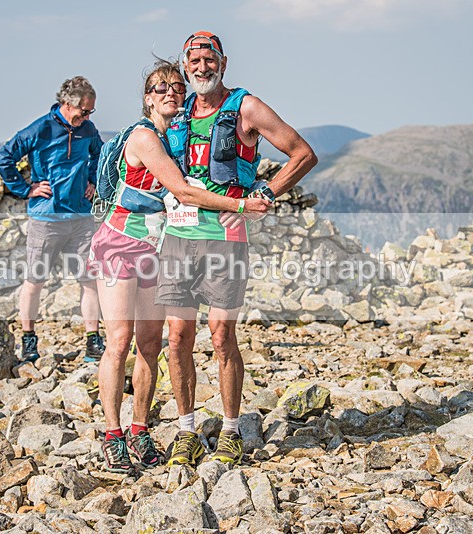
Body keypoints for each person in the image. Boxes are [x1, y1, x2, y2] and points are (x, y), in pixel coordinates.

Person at [90, 59, 270, 474]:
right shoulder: (144, 137)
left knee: (151, 344)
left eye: (176, 85)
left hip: (158, 250)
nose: (170, 92)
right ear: (146, 99)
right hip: (121, 244)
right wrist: (242, 206)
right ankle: (112, 435)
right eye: (159, 88)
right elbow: (184, 191)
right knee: (119, 342)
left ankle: (139, 429)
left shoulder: (177, 136)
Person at [159, 32, 318, 466]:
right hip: (178, 237)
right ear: (185, 65)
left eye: (209, 60)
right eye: (194, 61)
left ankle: (230, 429)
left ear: (223, 63)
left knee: (222, 335)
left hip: (226, 240)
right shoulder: (179, 110)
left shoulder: (245, 106)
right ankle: (186, 431)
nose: (201, 68)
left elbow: (302, 154)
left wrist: (263, 194)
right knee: (176, 339)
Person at [0, 76, 106, 363]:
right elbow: (3, 157)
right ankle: (29, 340)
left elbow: (101, 155)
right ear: (66, 104)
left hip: (80, 216)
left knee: (90, 280)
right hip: (46, 217)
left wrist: (92, 180)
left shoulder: (88, 129)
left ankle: (93, 342)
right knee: (35, 281)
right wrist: (26, 188)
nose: (87, 116)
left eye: (91, 111)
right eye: (84, 110)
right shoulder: (41, 129)